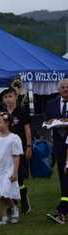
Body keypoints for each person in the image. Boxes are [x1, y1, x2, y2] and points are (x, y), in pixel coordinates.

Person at [0, 87, 32, 214]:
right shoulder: (2, 112)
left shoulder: (22, 111)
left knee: (19, 176)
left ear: (16, 97)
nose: (8, 99)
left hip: (20, 148)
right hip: (6, 149)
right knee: (8, 176)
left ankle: (23, 197)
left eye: (10, 96)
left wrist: (29, 146)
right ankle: (13, 205)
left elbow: (27, 129)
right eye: (6, 97)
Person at [46, 78, 68, 224]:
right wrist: (53, 122)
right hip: (59, 145)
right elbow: (48, 119)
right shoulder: (51, 103)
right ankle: (63, 207)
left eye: (67, 87)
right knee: (62, 174)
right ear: (58, 89)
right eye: (63, 87)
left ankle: (62, 210)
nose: (65, 89)